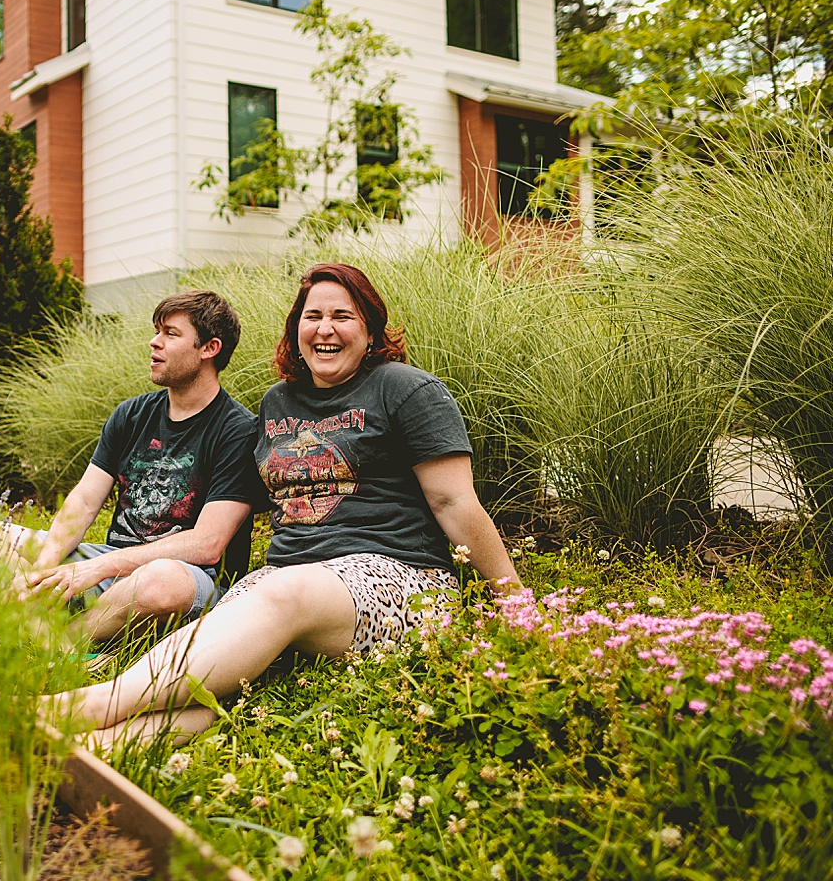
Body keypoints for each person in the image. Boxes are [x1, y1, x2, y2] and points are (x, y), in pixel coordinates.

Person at [52, 263, 522, 742]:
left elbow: (455, 504)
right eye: (312, 315)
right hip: (286, 581)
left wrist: (520, 608)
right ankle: (99, 745)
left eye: (343, 315)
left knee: (280, 594)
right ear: (296, 328)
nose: (325, 329)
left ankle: (80, 708)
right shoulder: (278, 403)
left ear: (370, 327)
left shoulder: (407, 389)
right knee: (225, 663)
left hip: (396, 577)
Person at [2, 290, 265, 642]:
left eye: (170, 334)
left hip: (189, 578)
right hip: (113, 565)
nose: (154, 343)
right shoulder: (131, 414)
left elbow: (208, 544)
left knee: (158, 582)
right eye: (157, 331)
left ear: (209, 348)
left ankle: (66, 643)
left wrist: (96, 568)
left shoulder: (238, 431)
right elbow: (83, 501)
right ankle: (43, 619)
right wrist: (42, 568)